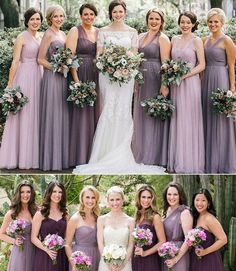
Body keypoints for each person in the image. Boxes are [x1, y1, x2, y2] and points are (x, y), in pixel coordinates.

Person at [73, 0, 165, 174]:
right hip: (107, 76)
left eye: (120, 11)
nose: (118, 14)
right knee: (109, 109)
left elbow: (135, 56)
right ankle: (103, 153)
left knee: (123, 110)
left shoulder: (132, 32)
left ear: (125, 12)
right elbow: (98, 56)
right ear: (110, 13)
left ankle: (123, 151)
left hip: (127, 76)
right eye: (115, 12)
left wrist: (125, 68)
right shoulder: (103, 31)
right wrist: (109, 65)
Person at [0, 8, 43, 170]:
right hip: (24, 77)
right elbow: (15, 62)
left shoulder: (41, 36)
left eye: (38, 19)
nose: (35, 22)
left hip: (39, 77)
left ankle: (34, 156)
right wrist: (10, 85)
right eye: (32, 19)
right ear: (26, 21)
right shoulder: (21, 37)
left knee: (36, 115)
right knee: (23, 115)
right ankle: (19, 157)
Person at [167, 11, 205, 173]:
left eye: (188, 22)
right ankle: (177, 160)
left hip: (190, 83)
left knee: (190, 120)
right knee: (178, 119)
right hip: (176, 84)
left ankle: (191, 162)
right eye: (182, 22)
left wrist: (185, 75)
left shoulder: (197, 41)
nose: (185, 25)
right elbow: (169, 62)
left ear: (194, 24)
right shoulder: (174, 39)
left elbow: (202, 65)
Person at [132, 9, 171, 166]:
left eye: (157, 19)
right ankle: (140, 153)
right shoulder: (140, 37)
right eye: (151, 18)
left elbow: (166, 64)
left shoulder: (163, 39)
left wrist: (164, 84)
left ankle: (153, 155)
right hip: (141, 79)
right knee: (140, 116)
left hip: (155, 78)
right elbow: (135, 60)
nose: (154, 21)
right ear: (147, 20)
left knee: (153, 116)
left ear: (161, 21)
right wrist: (134, 79)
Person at [202, 8, 236, 173]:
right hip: (206, 81)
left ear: (222, 23)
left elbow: (231, 67)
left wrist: (231, 90)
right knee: (207, 117)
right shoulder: (204, 40)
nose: (213, 24)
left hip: (221, 80)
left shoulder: (227, 41)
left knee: (221, 121)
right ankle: (208, 159)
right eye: (210, 22)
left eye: (216, 21)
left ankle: (223, 160)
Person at [67, 4, 99, 167]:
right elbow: (70, 57)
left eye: (91, 14)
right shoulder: (75, 31)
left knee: (94, 114)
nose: (88, 17)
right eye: (85, 14)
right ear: (81, 15)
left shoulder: (98, 32)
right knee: (80, 115)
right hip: (79, 73)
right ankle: (77, 157)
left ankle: (91, 156)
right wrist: (76, 80)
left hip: (95, 76)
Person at [38, 5, 70, 171]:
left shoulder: (63, 34)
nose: (59, 19)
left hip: (63, 79)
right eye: (56, 16)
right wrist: (57, 67)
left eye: (61, 16)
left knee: (62, 115)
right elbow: (40, 59)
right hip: (51, 79)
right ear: (50, 18)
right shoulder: (48, 34)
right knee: (53, 116)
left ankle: (61, 158)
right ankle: (50, 160)